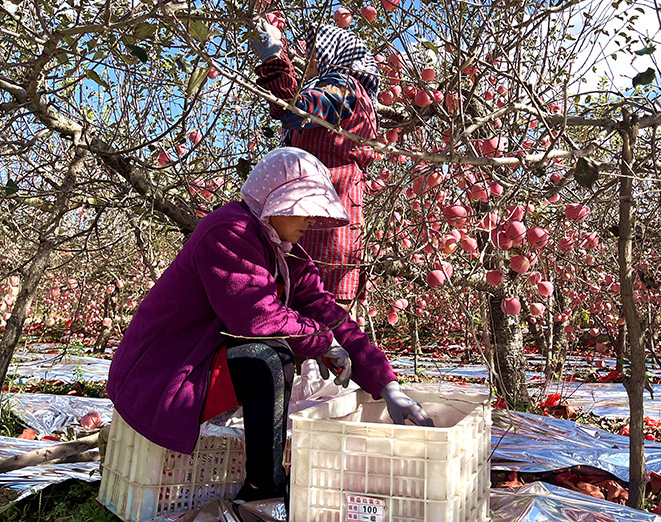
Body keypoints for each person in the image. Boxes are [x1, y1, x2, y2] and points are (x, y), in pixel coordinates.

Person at [107, 147, 431, 506]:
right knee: (270, 356)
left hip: (198, 366)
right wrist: (322, 342)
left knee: (274, 353)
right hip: (165, 375)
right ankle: (264, 486)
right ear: (276, 202)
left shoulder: (284, 253)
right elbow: (257, 318)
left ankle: (265, 482)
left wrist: (388, 387)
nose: (311, 220)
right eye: (304, 208)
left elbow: (331, 315)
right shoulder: (229, 231)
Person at [251, 22, 379, 310]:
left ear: (331, 55)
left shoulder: (343, 87)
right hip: (331, 218)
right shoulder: (356, 97)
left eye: (313, 53)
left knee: (316, 308)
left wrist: (273, 59)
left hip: (320, 221)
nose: (308, 60)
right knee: (321, 308)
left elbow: (296, 110)